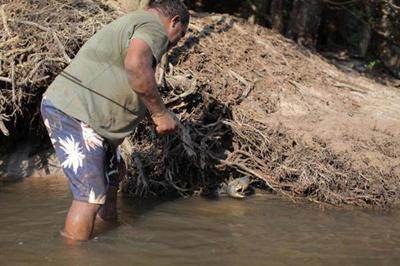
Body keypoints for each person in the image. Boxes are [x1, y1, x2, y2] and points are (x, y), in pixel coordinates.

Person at [40, 0, 190, 242]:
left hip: (96, 122)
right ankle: (75, 255)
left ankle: (108, 242)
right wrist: (160, 113)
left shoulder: (135, 23)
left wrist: (114, 144)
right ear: (174, 22)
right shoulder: (154, 27)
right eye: (179, 36)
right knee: (90, 196)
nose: (174, 44)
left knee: (110, 184)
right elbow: (135, 65)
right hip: (76, 110)